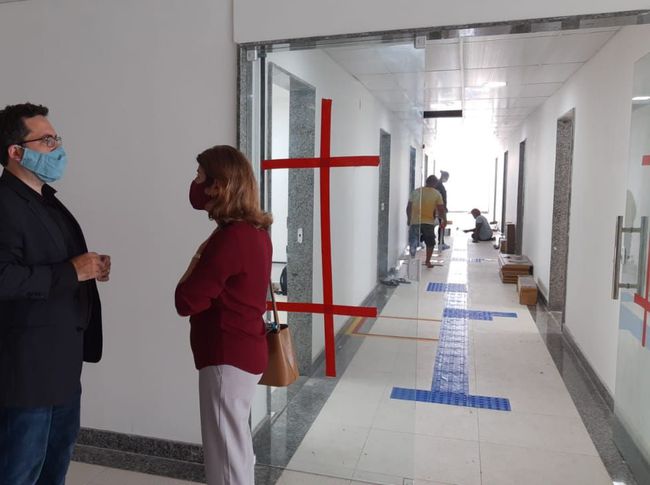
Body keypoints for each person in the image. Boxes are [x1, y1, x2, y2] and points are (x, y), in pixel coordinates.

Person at [0, 103, 110, 485]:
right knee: (19, 471)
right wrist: (71, 272)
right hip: (26, 373)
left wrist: (89, 269)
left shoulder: (46, 200)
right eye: (47, 140)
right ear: (16, 152)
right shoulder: (4, 203)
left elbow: (59, 265)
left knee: (53, 470)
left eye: (57, 138)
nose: (58, 148)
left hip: (62, 366)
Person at [175, 145, 272, 485]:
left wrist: (197, 257)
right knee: (237, 449)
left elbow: (186, 300)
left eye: (200, 176)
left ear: (218, 185)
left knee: (226, 461)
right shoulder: (256, 232)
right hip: (245, 350)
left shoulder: (230, 239)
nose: (195, 183)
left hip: (226, 357)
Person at [406, 175, 447, 268]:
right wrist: (444, 219)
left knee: (413, 241)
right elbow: (441, 209)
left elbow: (409, 207)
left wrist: (409, 219)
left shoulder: (416, 191)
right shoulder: (436, 193)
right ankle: (428, 261)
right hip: (428, 222)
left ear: (426, 182)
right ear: (435, 183)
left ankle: (412, 259)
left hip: (415, 221)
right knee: (430, 242)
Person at [435, 170, 450, 250]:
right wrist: (443, 208)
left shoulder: (439, 184)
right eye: (447, 178)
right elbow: (440, 198)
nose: (447, 179)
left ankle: (441, 242)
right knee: (442, 225)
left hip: (440, 208)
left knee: (441, 225)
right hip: (439, 208)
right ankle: (441, 243)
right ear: (445, 177)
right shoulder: (439, 185)